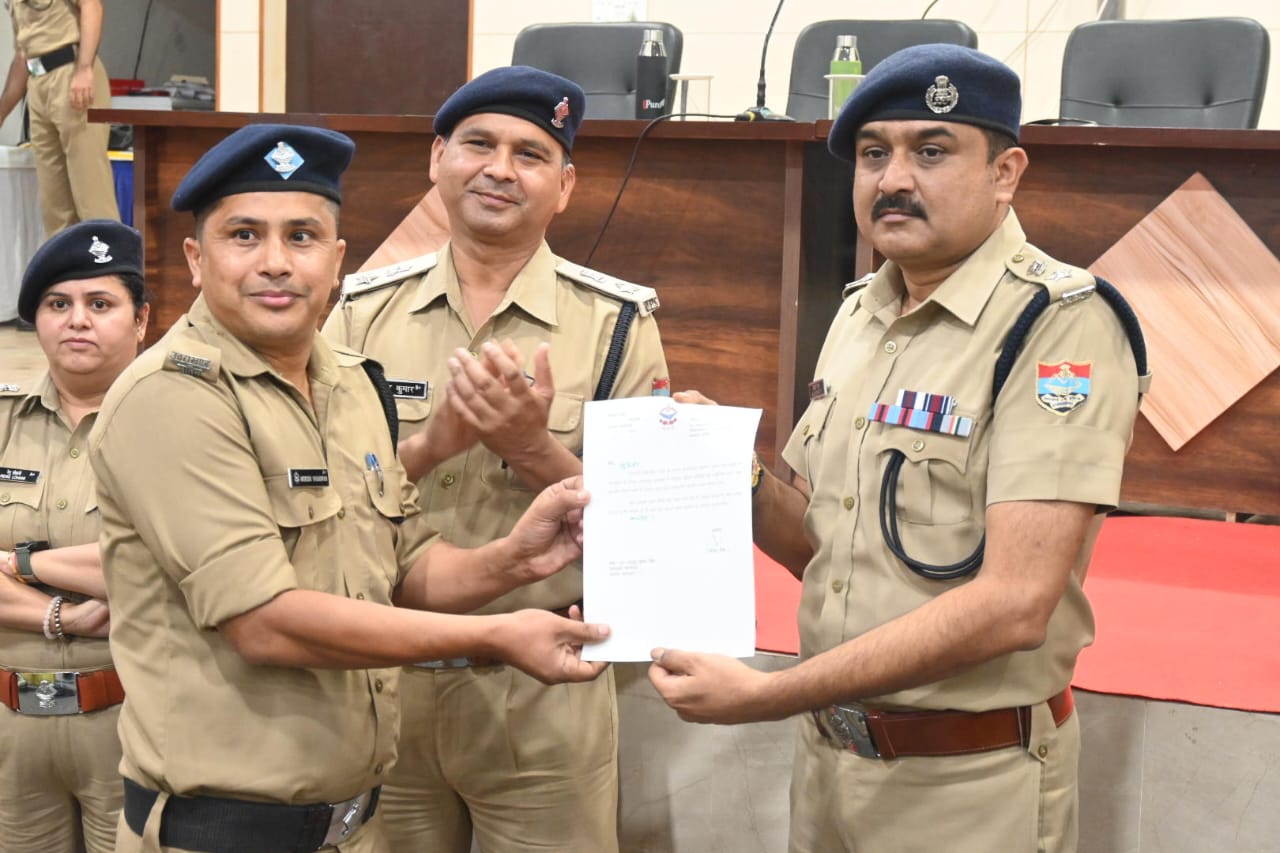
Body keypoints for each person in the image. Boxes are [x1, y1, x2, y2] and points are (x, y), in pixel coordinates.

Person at [648, 44, 1148, 853]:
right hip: (830, 765)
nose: (893, 179)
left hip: (965, 783)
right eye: (874, 153)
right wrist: (735, 475)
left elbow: (1015, 603)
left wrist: (769, 693)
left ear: (1005, 173)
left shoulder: (1057, 326)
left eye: (932, 151)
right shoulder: (860, 314)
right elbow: (824, 545)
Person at [89, 122, 612, 853]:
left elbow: (401, 566)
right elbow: (264, 621)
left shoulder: (352, 382)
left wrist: (514, 559)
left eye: (302, 237)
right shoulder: (173, 396)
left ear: (336, 261)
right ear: (196, 260)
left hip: (352, 826)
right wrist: (496, 632)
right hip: (223, 832)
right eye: (244, 236)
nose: (276, 263)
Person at [323, 66, 668, 853]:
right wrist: (429, 445)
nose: (500, 169)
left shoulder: (616, 323)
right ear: (437, 159)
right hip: (385, 678)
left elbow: (653, 529)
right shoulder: (359, 313)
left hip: (544, 692)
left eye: (530, 153)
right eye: (478, 144)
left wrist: (532, 448)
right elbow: (324, 499)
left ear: (565, 185)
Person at [0, 218, 147, 853]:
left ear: (141, 320)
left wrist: (22, 564)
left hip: (134, 724)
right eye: (58, 304)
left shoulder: (178, 424)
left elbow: (164, 569)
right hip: (12, 734)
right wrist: (60, 614)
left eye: (100, 304)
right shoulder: (5, 418)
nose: (77, 320)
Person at [1, 0, 119, 237]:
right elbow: (22, 55)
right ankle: (65, 260)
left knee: (91, 191)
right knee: (54, 202)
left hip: (72, 72)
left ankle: (107, 258)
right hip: (37, 82)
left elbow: (92, 6)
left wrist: (84, 68)